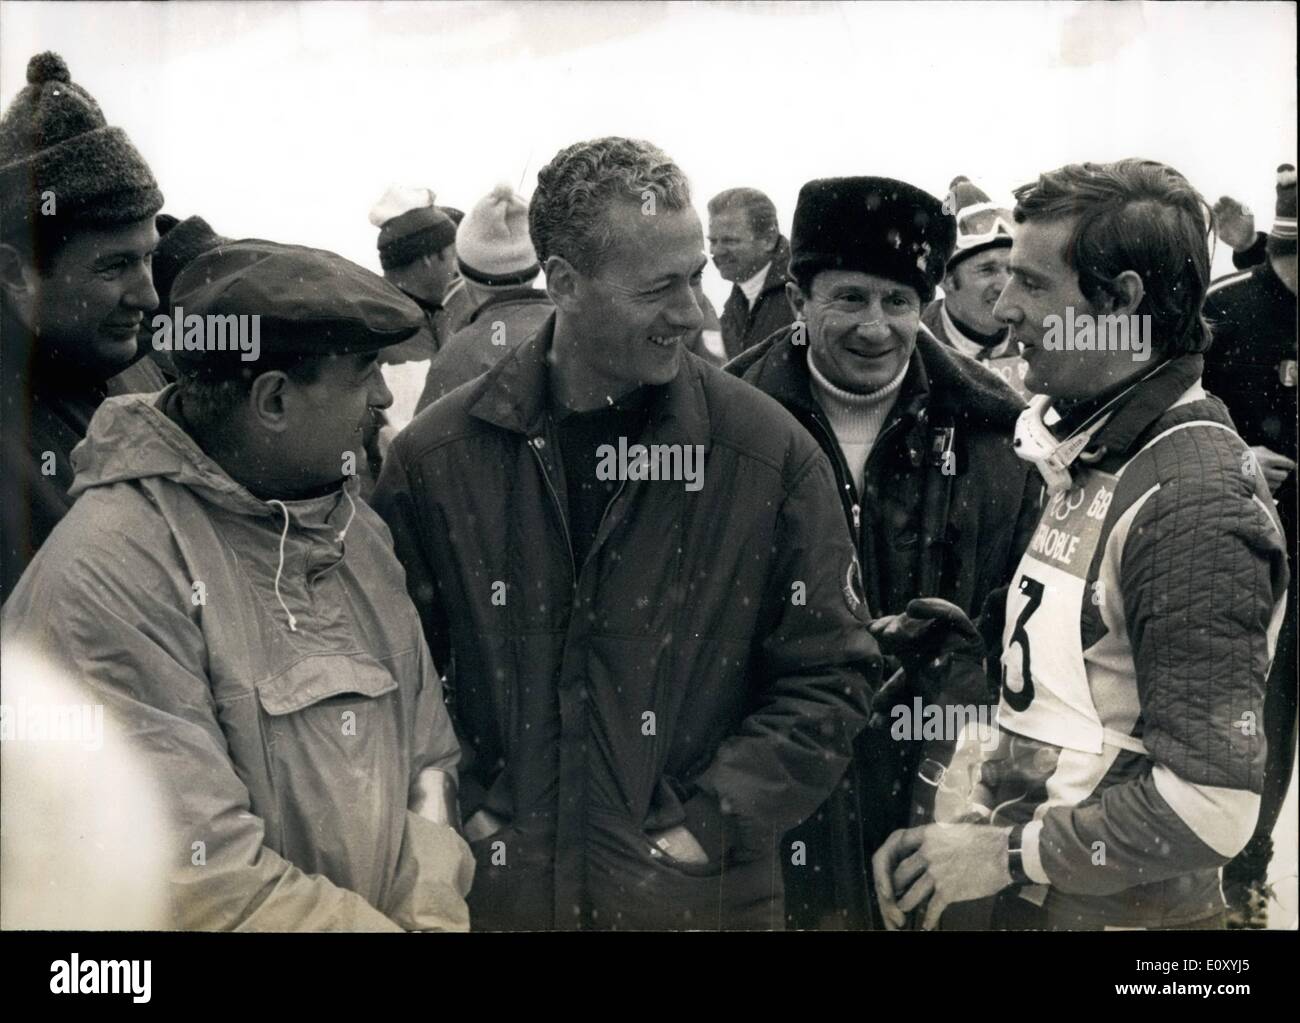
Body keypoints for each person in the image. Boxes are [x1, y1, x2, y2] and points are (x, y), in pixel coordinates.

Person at [374, 136, 879, 931]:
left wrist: (709, 821)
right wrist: (470, 801)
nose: (695, 311)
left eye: (698, 276)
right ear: (565, 284)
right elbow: (392, 676)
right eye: (659, 288)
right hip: (504, 901)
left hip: (697, 905)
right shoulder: (435, 459)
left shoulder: (767, 456)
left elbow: (833, 679)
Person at [3, 239, 475, 931]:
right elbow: (204, 883)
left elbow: (429, 763)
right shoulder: (109, 578)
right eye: (366, 370)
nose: (383, 396)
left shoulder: (355, 531)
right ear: (274, 399)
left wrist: (430, 915)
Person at [872, 158, 1289, 931]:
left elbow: (1212, 807)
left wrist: (1003, 855)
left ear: (1122, 300)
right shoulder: (1100, 445)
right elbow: (1076, 705)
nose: (1004, 306)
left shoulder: (1189, 495)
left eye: (1033, 284)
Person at [728, 176, 1039, 929]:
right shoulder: (727, 426)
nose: (876, 327)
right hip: (780, 802)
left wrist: (962, 812)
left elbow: (1014, 655)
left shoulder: (997, 438)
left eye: (897, 301)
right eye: (850, 298)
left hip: (939, 796)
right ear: (799, 300)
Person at [0, 52, 166, 602]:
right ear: (14, 273)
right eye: (114, 265)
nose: (148, 294)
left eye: (150, 259)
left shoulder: (138, 364)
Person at [1202, 162, 1298, 928]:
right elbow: (1175, 409)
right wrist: (1238, 454)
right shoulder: (1225, 312)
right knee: (1262, 713)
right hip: (1254, 549)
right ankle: (1241, 871)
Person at [414, 183, 552, 412]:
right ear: (537, 266)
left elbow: (420, 444)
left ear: (466, 278)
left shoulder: (457, 357)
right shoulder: (581, 329)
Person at [923, 177, 1025, 395]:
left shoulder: (1039, 331)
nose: (1006, 285)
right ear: (947, 280)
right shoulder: (916, 344)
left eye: (1011, 269)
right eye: (987, 270)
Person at [708, 187, 796, 359]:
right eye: (713, 241)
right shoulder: (737, 300)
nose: (717, 251)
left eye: (729, 241)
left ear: (768, 239)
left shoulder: (801, 294)